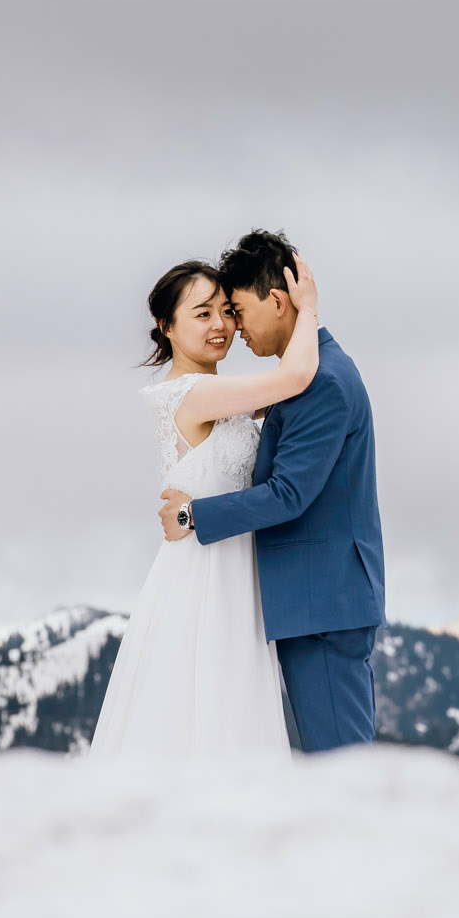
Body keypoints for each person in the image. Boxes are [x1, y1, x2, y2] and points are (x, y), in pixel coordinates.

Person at [156, 229, 387, 753]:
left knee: (342, 764)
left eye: (237, 309)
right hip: (316, 601)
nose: (234, 328)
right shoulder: (305, 380)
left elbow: (288, 495)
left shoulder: (320, 382)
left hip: (323, 605)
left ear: (277, 301)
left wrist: (193, 516)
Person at [91, 251, 321, 758]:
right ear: (166, 326)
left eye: (227, 311)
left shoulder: (220, 392)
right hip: (205, 574)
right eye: (202, 314)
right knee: (203, 703)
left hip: (234, 565)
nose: (220, 325)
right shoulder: (192, 393)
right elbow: (296, 378)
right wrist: (307, 310)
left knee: (222, 704)